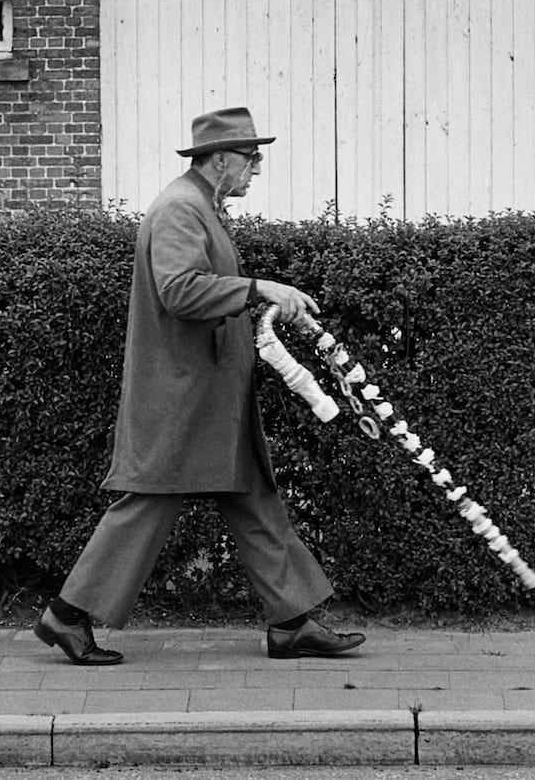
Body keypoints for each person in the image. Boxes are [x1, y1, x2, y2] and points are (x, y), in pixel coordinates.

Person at [34, 106, 366, 665]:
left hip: (209, 394)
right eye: (250, 157)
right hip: (184, 397)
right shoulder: (181, 209)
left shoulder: (200, 205)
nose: (256, 168)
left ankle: (291, 623)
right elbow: (181, 291)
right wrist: (259, 286)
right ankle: (65, 617)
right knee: (148, 502)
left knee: (253, 495)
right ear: (218, 160)